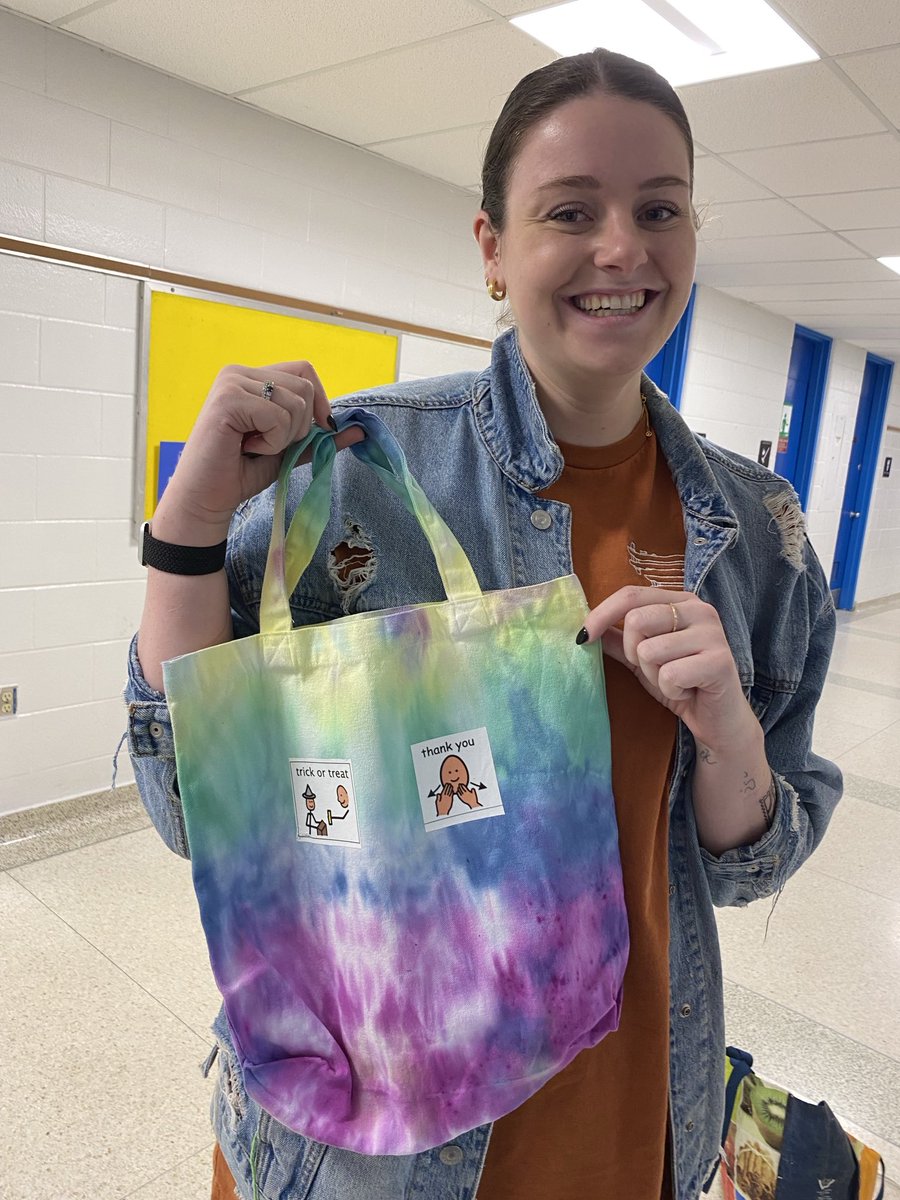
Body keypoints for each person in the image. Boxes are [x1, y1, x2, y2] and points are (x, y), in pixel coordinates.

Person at [126, 47, 841, 1200]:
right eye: (571, 211)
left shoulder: (757, 530)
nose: (623, 248)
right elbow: (193, 819)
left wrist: (732, 738)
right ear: (494, 250)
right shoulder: (353, 470)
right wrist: (192, 521)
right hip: (364, 1142)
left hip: (635, 1120)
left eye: (661, 209)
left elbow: (751, 862)